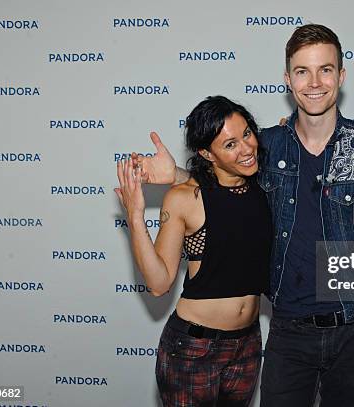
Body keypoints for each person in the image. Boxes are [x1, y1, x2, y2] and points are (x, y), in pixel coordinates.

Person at [133, 25, 354, 407]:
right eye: (302, 71)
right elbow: (224, 183)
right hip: (290, 327)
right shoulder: (266, 143)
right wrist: (177, 175)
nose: (314, 82)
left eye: (326, 69)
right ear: (287, 79)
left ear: (341, 76)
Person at [115, 96, 271, 406]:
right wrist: (135, 216)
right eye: (229, 145)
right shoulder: (183, 198)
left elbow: (227, 196)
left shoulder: (266, 184)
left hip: (248, 345)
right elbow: (159, 283)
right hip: (194, 348)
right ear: (205, 153)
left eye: (247, 134)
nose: (246, 148)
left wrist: (175, 173)